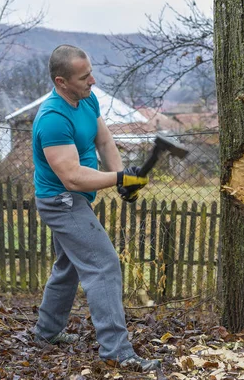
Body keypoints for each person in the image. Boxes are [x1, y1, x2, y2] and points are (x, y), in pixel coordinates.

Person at [31, 44, 161, 372]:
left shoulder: (87, 99)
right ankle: (117, 351)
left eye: (90, 71)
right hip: (61, 202)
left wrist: (122, 181)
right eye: (84, 76)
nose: (92, 79)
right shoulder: (53, 119)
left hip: (75, 198)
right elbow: (72, 178)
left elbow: (104, 140)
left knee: (70, 265)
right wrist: (119, 177)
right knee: (103, 265)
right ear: (61, 82)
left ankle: (46, 332)